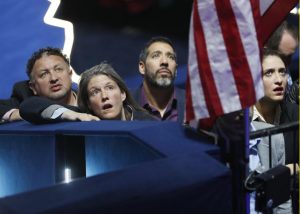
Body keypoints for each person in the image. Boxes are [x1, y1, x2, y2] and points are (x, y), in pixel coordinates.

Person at [20, 62, 154, 123]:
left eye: (109, 88)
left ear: (123, 94)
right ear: (89, 104)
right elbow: (29, 105)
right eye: (95, 92)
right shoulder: (85, 118)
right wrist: (68, 114)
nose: (104, 96)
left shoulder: (148, 122)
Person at [252, 48, 298, 214]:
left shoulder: (296, 116)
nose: (279, 80)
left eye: (282, 72)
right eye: (269, 73)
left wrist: (291, 171)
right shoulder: (240, 121)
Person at [0, 47, 86, 122]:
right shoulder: (24, 95)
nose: (53, 78)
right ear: (33, 87)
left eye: (58, 69)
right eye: (44, 74)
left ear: (70, 75)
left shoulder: (89, 99)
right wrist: (15, 114)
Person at [132, 36, 185, 123]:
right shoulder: (123, 105)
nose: (164, 61)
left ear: (175, 70)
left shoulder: (195, 105)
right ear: (142, 67)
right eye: (156, 56)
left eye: (170, 57)